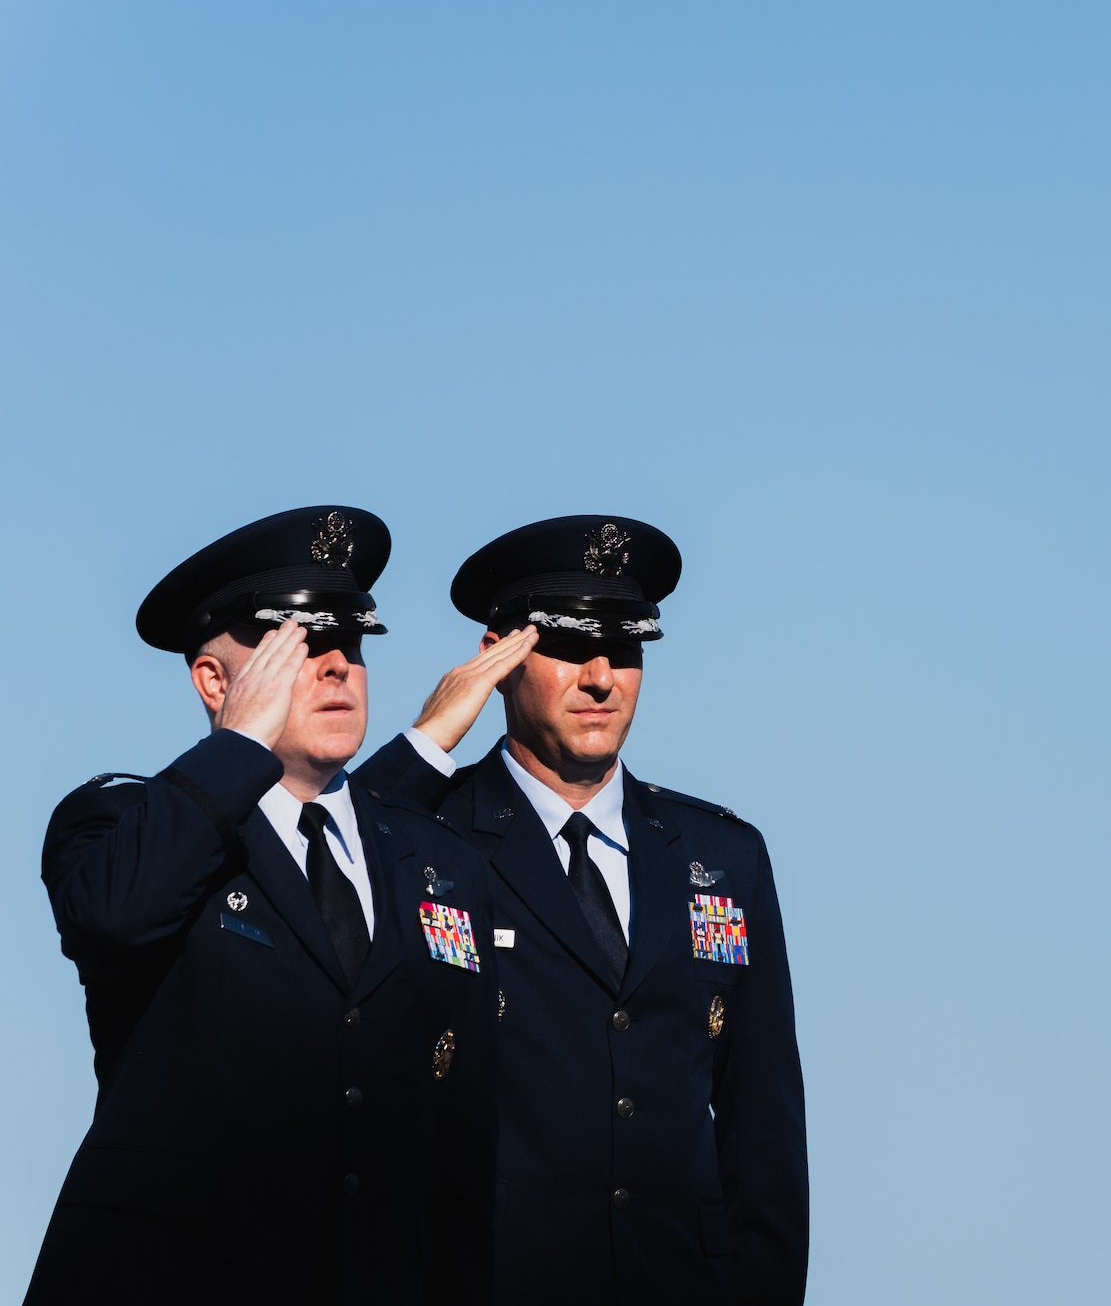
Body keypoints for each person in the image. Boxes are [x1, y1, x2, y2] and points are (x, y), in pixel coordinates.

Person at [30, 506, 496, 1305]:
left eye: (348, 642)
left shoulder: (438, 860)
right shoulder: (125, 821)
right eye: (300, 645)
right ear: (215, 680)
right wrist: (238, 743)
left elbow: (463, 1137)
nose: (337, 665)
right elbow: (113, 915)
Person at [353, 515, 809, 1305]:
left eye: (626, 648)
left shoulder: (725, 856)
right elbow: (326, 857)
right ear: (501, 656)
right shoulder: (426, 842)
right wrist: (428, 742)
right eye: (568, 647)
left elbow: (762, 1133)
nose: (602, 676)